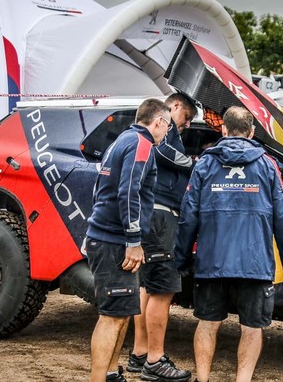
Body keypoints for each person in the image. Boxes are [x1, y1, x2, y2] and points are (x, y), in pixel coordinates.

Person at [175, 106, 283, 382]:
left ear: (223, 129)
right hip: (255, 264)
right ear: (252, 132)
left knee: (207, 323)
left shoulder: (205, 164)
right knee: (252, 328)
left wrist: (181, 257)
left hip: (211, 261)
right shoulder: (268, 166)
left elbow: (188, 216)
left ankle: (203, 379)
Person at [84, 98, 172, 382]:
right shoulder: (141, 144)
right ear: (158, 121)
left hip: (110, 238)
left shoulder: (122, 139)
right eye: (167, 126)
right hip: (114, 242)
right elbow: (129, 192)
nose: (167, 133)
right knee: (111, 317)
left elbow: (101, 188)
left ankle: (110, 374)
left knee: (121, 314)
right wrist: (133, 241)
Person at [128, 93, 196, 382]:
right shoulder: (162, 129)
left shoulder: (166, 130)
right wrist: (195, 161)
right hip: (161, 215)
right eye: (187, 117)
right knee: (163, 289)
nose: (187, 124)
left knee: (148, 286)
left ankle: (140, 353)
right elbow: (162, 151)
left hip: (154, 215)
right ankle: (155, 360)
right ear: (175, 106)